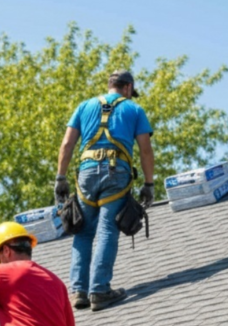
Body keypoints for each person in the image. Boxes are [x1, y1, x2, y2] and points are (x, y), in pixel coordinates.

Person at [55, 69, 155, 312]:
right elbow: (145, 150)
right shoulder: (133, 110)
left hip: (86, 174)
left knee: (83, 230)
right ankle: (99, 290)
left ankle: (79, 290)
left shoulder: (84, 106)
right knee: (108, 229)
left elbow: (67, 144)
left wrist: (60, 178)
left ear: (110, 85)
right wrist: (149, 184)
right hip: (115, 172)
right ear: (128, 88)